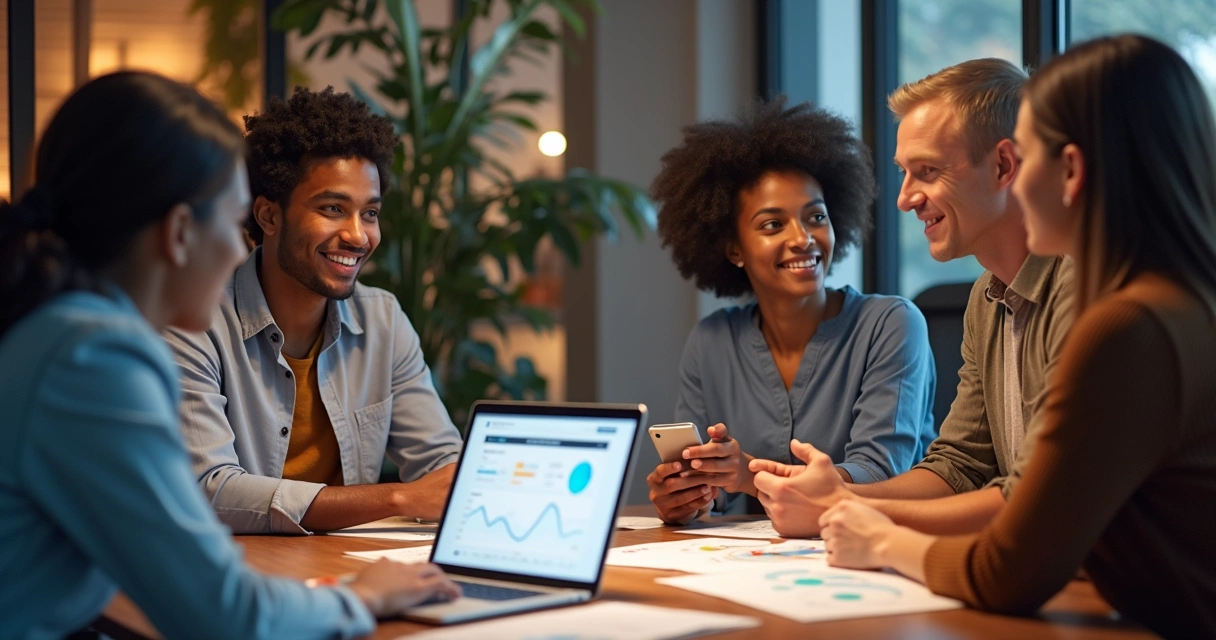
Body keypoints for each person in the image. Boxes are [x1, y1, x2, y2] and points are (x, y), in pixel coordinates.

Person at [0, 71, 459, 640]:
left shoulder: (62, 330)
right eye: (233, 219)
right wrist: (358, 599)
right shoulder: (94, 358)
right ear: (180, 233)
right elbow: (221, 613)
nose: (236, 250)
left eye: (369, 212)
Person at [817, 34, 1216, 638]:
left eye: (1029, 157)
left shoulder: (1124, 325)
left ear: (1069, 171)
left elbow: (1010, 568)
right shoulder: (1177, 302)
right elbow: (972, 470)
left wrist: (880, 536)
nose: (1021, 185)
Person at [751, 59, 1075, 537]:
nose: (905, 198)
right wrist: (835, 497)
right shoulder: (985, 301)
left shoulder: (1082, 286)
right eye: (905, 172)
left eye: (927, 171)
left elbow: (1041, 496)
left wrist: (843, 510)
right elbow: (959, 467)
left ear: (1004, 165)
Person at [165, 87, 462, 535]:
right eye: (333, 209)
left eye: (370, 213)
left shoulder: (383, 320)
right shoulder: (194, 321)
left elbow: (441, 463)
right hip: (244, 575)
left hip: (352, 568)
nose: (358, 236)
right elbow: (209, 489)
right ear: (268, 216)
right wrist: (399, 496)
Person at [645, 98, 937, 524]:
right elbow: (711, 491)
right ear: (733, 249)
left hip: (885, 547)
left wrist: (748, 475)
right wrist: (688, 494)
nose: (803, 238)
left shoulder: (891, 324)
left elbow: (878, 471)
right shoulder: (711, 342)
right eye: (772, 224)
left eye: (815, 216)